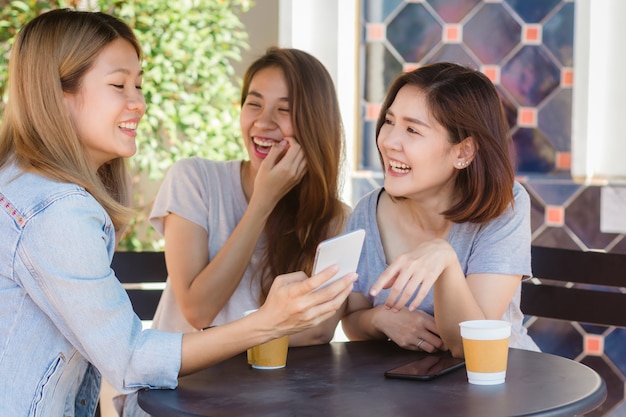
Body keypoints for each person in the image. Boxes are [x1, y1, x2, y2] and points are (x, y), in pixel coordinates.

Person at [0, 9, 356, 417]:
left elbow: (321, 329)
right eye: (119, 85)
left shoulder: (28, 189)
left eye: (138, 84)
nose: (140, 103)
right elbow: (134, 355)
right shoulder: (55, 211)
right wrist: (268, 320)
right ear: (55, 96)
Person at [148, 47, 350, 345]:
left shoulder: (334, 219)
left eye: (284, 110)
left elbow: (318, 330)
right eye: (253, 104)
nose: (263, 122)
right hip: (179, 384)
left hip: (267, 388)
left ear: (315, 123)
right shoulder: (194, 179)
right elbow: (198, 311)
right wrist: (262, 203)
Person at [341, 62, 539, 358]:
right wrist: (379, 319)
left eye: (412, 129)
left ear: (463, 152)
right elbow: (352, 322)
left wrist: (445, 261)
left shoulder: (504, 205)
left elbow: (471, 346)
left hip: (501, 388)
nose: (388, 141)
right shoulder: (367, 211)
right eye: (390, 121)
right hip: (405, 392)